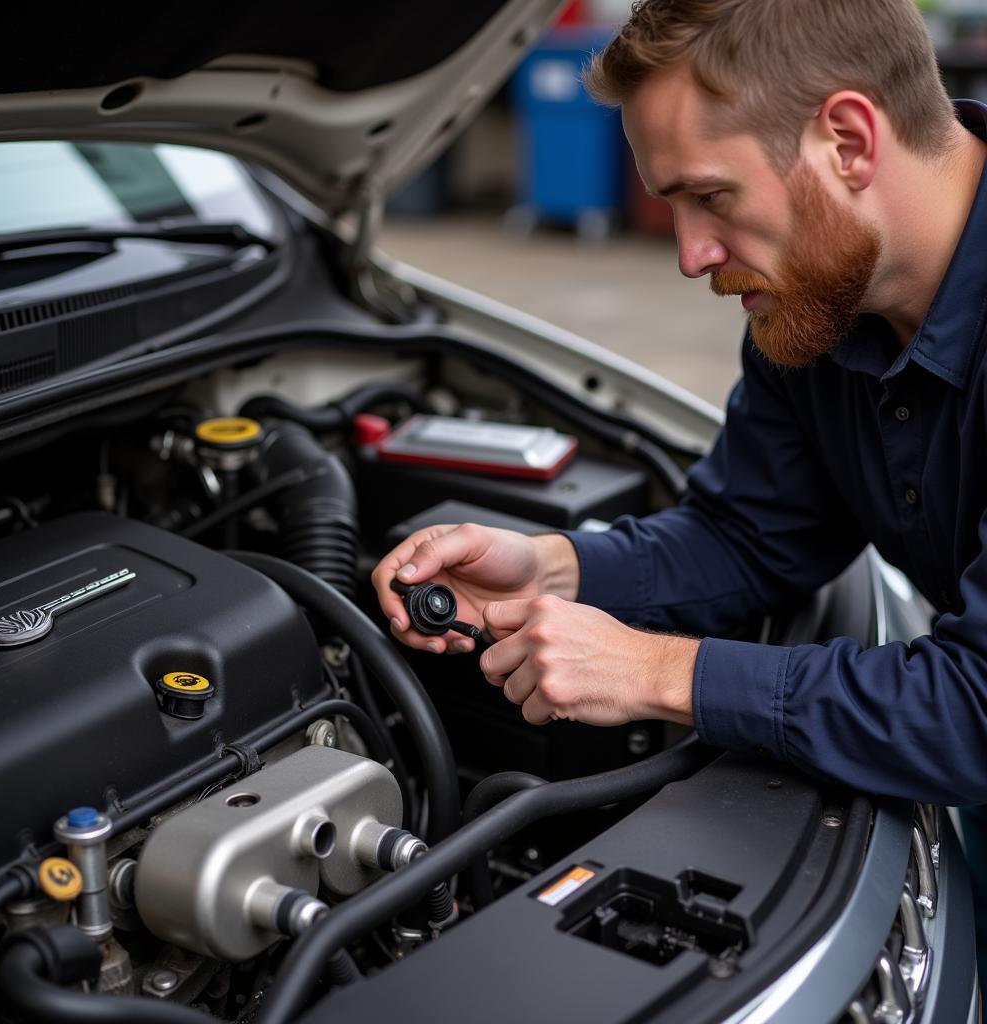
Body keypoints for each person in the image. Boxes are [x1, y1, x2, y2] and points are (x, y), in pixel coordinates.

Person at [372, 0, 987, 979]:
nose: (691, 254)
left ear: (847, 140)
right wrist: (557, 565)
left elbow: (976, 708)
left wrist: (663, 673)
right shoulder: (814, 304)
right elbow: (751, 533)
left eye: (710, 198)